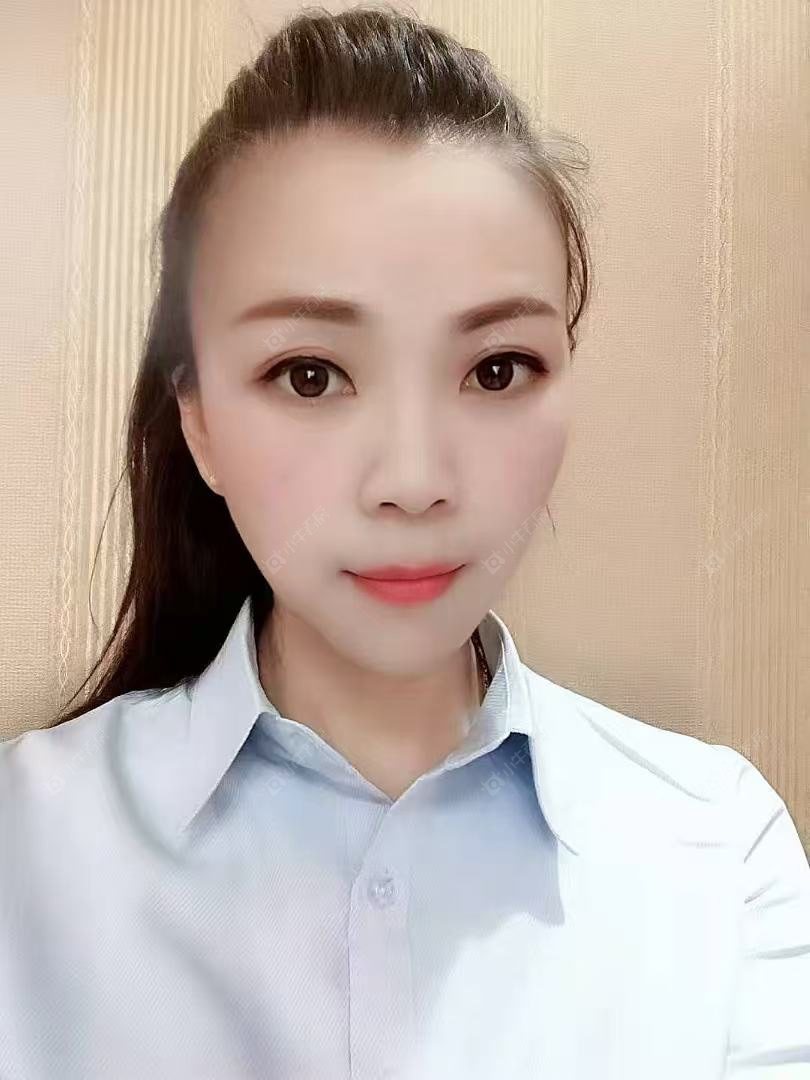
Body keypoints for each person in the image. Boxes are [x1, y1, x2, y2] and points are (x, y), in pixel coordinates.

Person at [1, 5, 808, 1078]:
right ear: (198, 423)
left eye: (495, 370)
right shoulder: (24, 850)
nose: (417, 481)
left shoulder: (716, 852)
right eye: (310, 375)